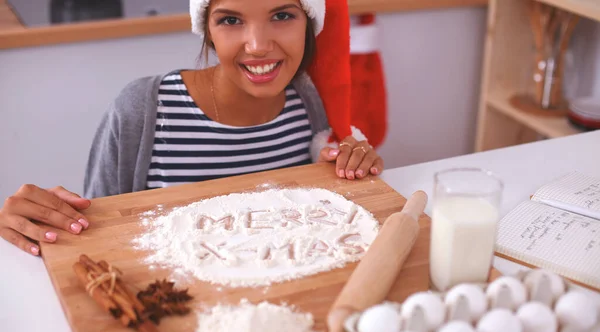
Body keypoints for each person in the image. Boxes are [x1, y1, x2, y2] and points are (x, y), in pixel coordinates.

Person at [0, 0, 385, 257]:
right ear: (207, 28)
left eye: (282, 15)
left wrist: (353, 165)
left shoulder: (311, 102)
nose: (257, 45)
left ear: (310, 23)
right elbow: (96, 238)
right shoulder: (144, 110)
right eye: (231, 20)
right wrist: (38, 220)